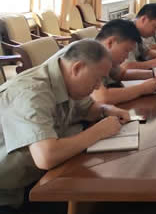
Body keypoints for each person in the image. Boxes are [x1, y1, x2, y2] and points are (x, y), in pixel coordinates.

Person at [0, 40, 130, 211]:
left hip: (34, 179)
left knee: (102, 197)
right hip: (9, 194)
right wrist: (99, 131)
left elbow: (89, 109)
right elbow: (46, 156)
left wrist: (106, 109)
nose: (99, 85)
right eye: (97, 78)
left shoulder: (65, 80)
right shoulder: (32, 92)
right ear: (77, 68)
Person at [92, 19, 156, 105]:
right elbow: (102, 98)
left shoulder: (105, 57)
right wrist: (143, 88)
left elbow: (122, 74)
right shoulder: (90, 55)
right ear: (110, 43)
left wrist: (153, 74)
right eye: (126, 50)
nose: (127, 56)